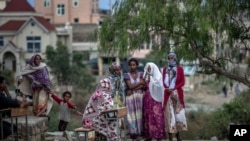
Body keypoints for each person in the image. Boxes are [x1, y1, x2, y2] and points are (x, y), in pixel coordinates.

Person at [162, 52, 187, 141]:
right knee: (169, 115)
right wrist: (167, 88)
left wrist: (174, 88)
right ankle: (170, 137)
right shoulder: (165, 69)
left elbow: (183, 82)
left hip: (177, 94)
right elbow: (163, 82)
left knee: (177, 115)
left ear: (175, 58)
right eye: (169, 58)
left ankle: (178, 136)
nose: (171, 59)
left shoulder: (180, 69)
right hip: (167, 95)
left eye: (172, 58)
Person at [142, 62, 166, 141]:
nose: (149, 70)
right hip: (147, 101)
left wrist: (151, 80)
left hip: (156, 102)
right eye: (147, 69)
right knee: (148, 118)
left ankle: (158, 136)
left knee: (157, 118)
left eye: (150, 68)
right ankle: (149, 136)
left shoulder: (158, 78)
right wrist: (145, 80)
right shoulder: (145, 77)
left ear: (154, 68)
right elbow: (143, 87)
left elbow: (161, 88)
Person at [124, 58, 145, 140]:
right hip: (130, 98)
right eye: (131, 65)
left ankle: (140, 131)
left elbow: (143, 86)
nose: (132, 66)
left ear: (137, 65)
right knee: (131, 115)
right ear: (129, 66)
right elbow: (130, 86)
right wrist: (140, 83)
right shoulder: (127, 75)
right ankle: (133, 132)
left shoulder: (141, 74)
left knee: (140, 114)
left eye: (134, 65)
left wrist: (132, 88)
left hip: (139, 97)